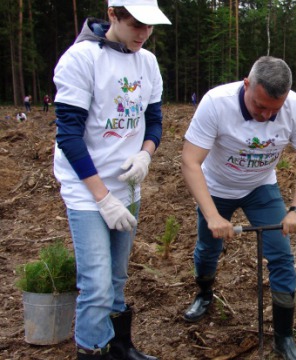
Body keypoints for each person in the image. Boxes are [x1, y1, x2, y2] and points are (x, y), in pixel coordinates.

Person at [52, 1, 170, 359]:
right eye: (136, 24)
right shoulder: (81, 59)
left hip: (127, 184)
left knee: (117, 278)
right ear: (112, 14)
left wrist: (146, 153)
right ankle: (93, 350)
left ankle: (119, 347)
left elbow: (154, 119)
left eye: (150, 27)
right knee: (97, 286)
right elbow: (69, 135)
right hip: (88, 190)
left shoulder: (147, 61)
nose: (144, 34)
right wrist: (103, 198)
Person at [181, 56, 296, 360]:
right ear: (247, 84)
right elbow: (190, 162)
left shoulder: (295, 107)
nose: (266, 116)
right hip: (216, 188)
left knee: (281, 256)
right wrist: (212, 215)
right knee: (208, 249)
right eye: (259, 106)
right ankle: (204, 293)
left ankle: (284, 337)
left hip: (260, 188)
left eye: (274, 109)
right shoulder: (216, 103)